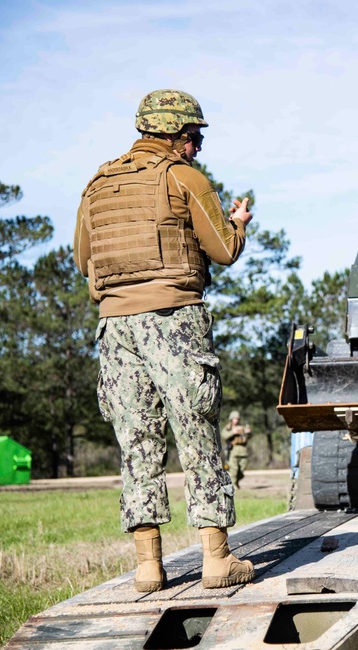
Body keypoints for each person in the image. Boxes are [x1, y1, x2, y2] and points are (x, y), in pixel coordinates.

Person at [74, 89, 254, 593]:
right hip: (173, 319)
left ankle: (148, 568)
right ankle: (217, 561)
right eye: (194, 136)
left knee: (137, 442)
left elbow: (82, 259)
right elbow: (221, 251)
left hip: (114, 328)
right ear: (175, 134)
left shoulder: (97, 184)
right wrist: (238, 226)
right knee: (195, 430)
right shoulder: (183, 177)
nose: (197, 147)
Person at [221, 410, 251, 488]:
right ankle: (233, 484)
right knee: (233, 469)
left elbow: (248, 437)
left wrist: (248, 433)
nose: (236, 420)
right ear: (231, 419)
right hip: (233, 451)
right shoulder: (228, 428)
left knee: (241, 470)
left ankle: (236, 481)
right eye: (234, 418)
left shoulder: (242, 427)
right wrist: (232, 432)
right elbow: (223, 435)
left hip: (243, 451)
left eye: (237, 419)